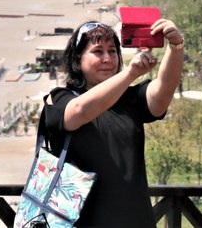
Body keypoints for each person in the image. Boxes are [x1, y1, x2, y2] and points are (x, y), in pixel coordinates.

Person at [44, 19, 184, 227]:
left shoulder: (130, 99)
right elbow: (79, 111)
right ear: (77, 60)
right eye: (98, 52)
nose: (107, 58)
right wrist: (131, 73)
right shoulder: (61, 99)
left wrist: (176, 47)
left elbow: (163, 91)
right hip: (80, 222)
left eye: (112, 51)